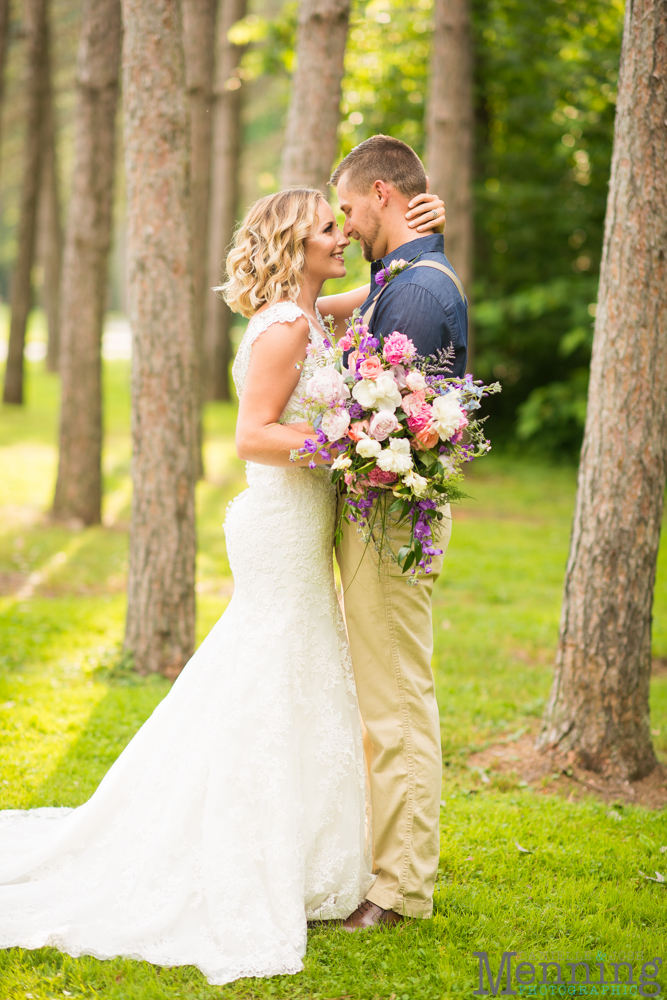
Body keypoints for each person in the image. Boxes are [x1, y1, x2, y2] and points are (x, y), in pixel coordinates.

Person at [0, 186, 445, 984]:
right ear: (292, 243)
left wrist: (406, 248)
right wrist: (345, 445)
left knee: (297, 673)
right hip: (278, 525)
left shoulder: (306, 314)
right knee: (270, 671)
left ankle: (300, 844)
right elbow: (252, 433)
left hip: (302, 523)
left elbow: (364, 291)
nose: (338, 237)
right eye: (324, 230)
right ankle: (239, 846)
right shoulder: (281, 328)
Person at [330, 135, 469, 931]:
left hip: (389, 516)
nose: (343, 227)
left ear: (383, 194)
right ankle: (389, 867)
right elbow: (371, 291)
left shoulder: (415, 294)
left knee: (396, 704)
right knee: (385, 696)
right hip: (380, 515)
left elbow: (394, 426)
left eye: (349, 208)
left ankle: (399, 889)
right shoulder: (403, 278)